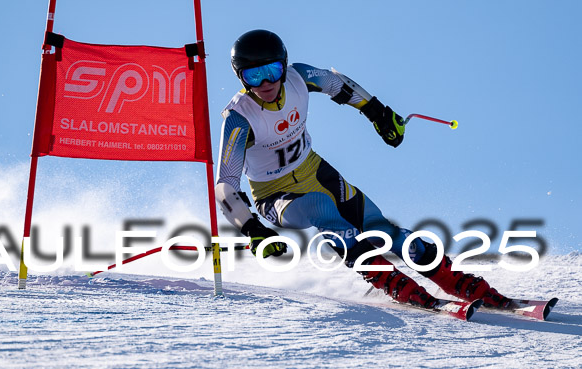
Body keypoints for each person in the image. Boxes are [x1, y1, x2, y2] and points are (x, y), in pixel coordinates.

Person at [214, 29, 511, 309]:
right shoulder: (239, 117)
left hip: (315, 171)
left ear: (284, 66)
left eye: (272, 71)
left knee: (382, 229)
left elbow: (337, 83)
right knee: (323, 209)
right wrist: (254, 231)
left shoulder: (299, 78)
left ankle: (455, 281)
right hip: (275, 196)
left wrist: (378, 113)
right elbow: (225, 185)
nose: (266, 83)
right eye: (254, 76)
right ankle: (391, 281)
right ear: (241, 78)